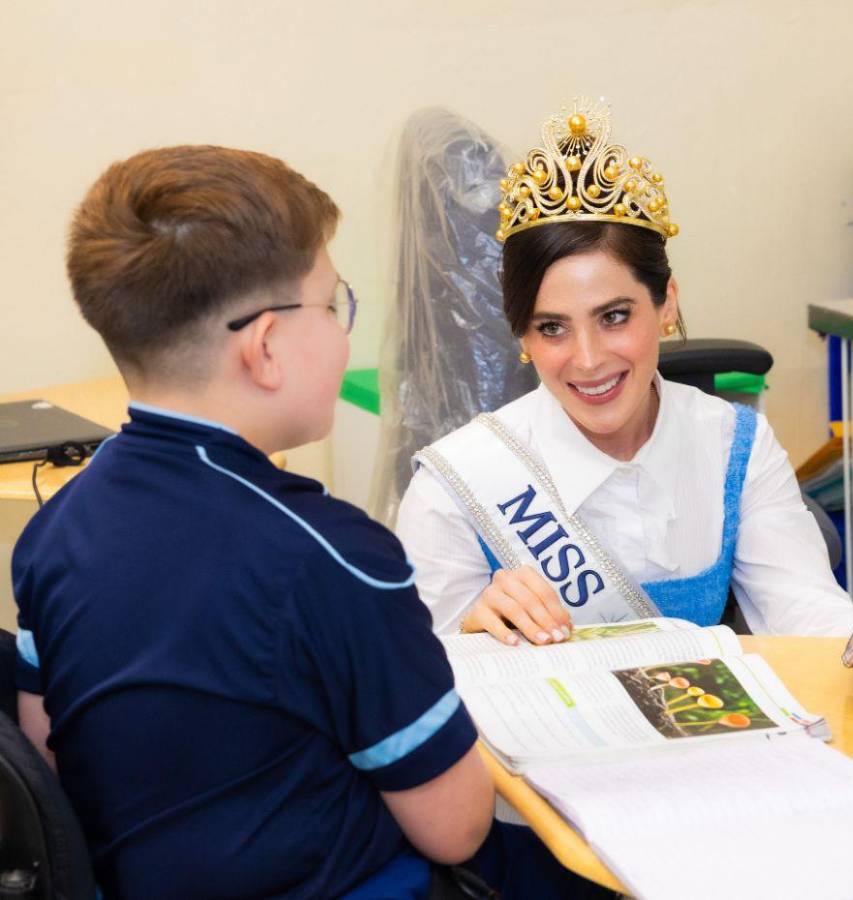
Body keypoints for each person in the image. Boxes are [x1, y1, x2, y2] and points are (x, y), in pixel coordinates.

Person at [11, 145, 494, 899]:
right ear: (266, 346)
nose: (342, 333)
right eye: (333, 306)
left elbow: (48, 753)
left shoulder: (53, 531)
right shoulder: (335, 555)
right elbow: (456, 826)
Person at [396, 99, 853, 650]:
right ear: (523, 337)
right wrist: (471, 636)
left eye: (613, 317)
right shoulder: (455, 490)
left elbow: (812, 624)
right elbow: (421, 704)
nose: (586, 358)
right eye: (551, 327)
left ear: (667, 305)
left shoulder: (734, 444)